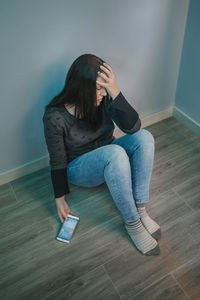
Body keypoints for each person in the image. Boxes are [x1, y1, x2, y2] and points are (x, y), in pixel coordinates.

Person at [43, 53, 161, 256]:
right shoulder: (55, 117)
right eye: (98, 88)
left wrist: (114, 90)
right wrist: (59, 199)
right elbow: (58, 160)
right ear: (80, 89)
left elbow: (134, 127)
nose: (102, 93)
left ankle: (141, 210)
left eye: (104, 87)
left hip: (110, 153)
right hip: (80, 167)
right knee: (114, 153)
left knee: (145, 137)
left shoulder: (105, 98)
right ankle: (132, 223)